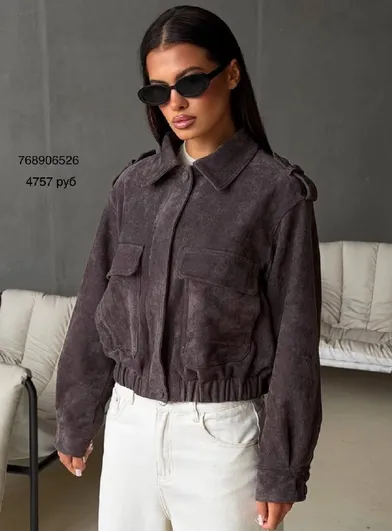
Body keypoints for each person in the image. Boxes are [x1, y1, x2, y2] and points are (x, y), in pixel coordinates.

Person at [55, 5, 322, 531]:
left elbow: (296, 341)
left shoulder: (277, 195)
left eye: (191, 82)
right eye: (158, 91)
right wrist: (76, 415)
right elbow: (93, 308)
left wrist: (283, 468)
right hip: (129, 426)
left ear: (232, 73)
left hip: (221, 440)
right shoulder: (132, 187)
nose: (174, 104)